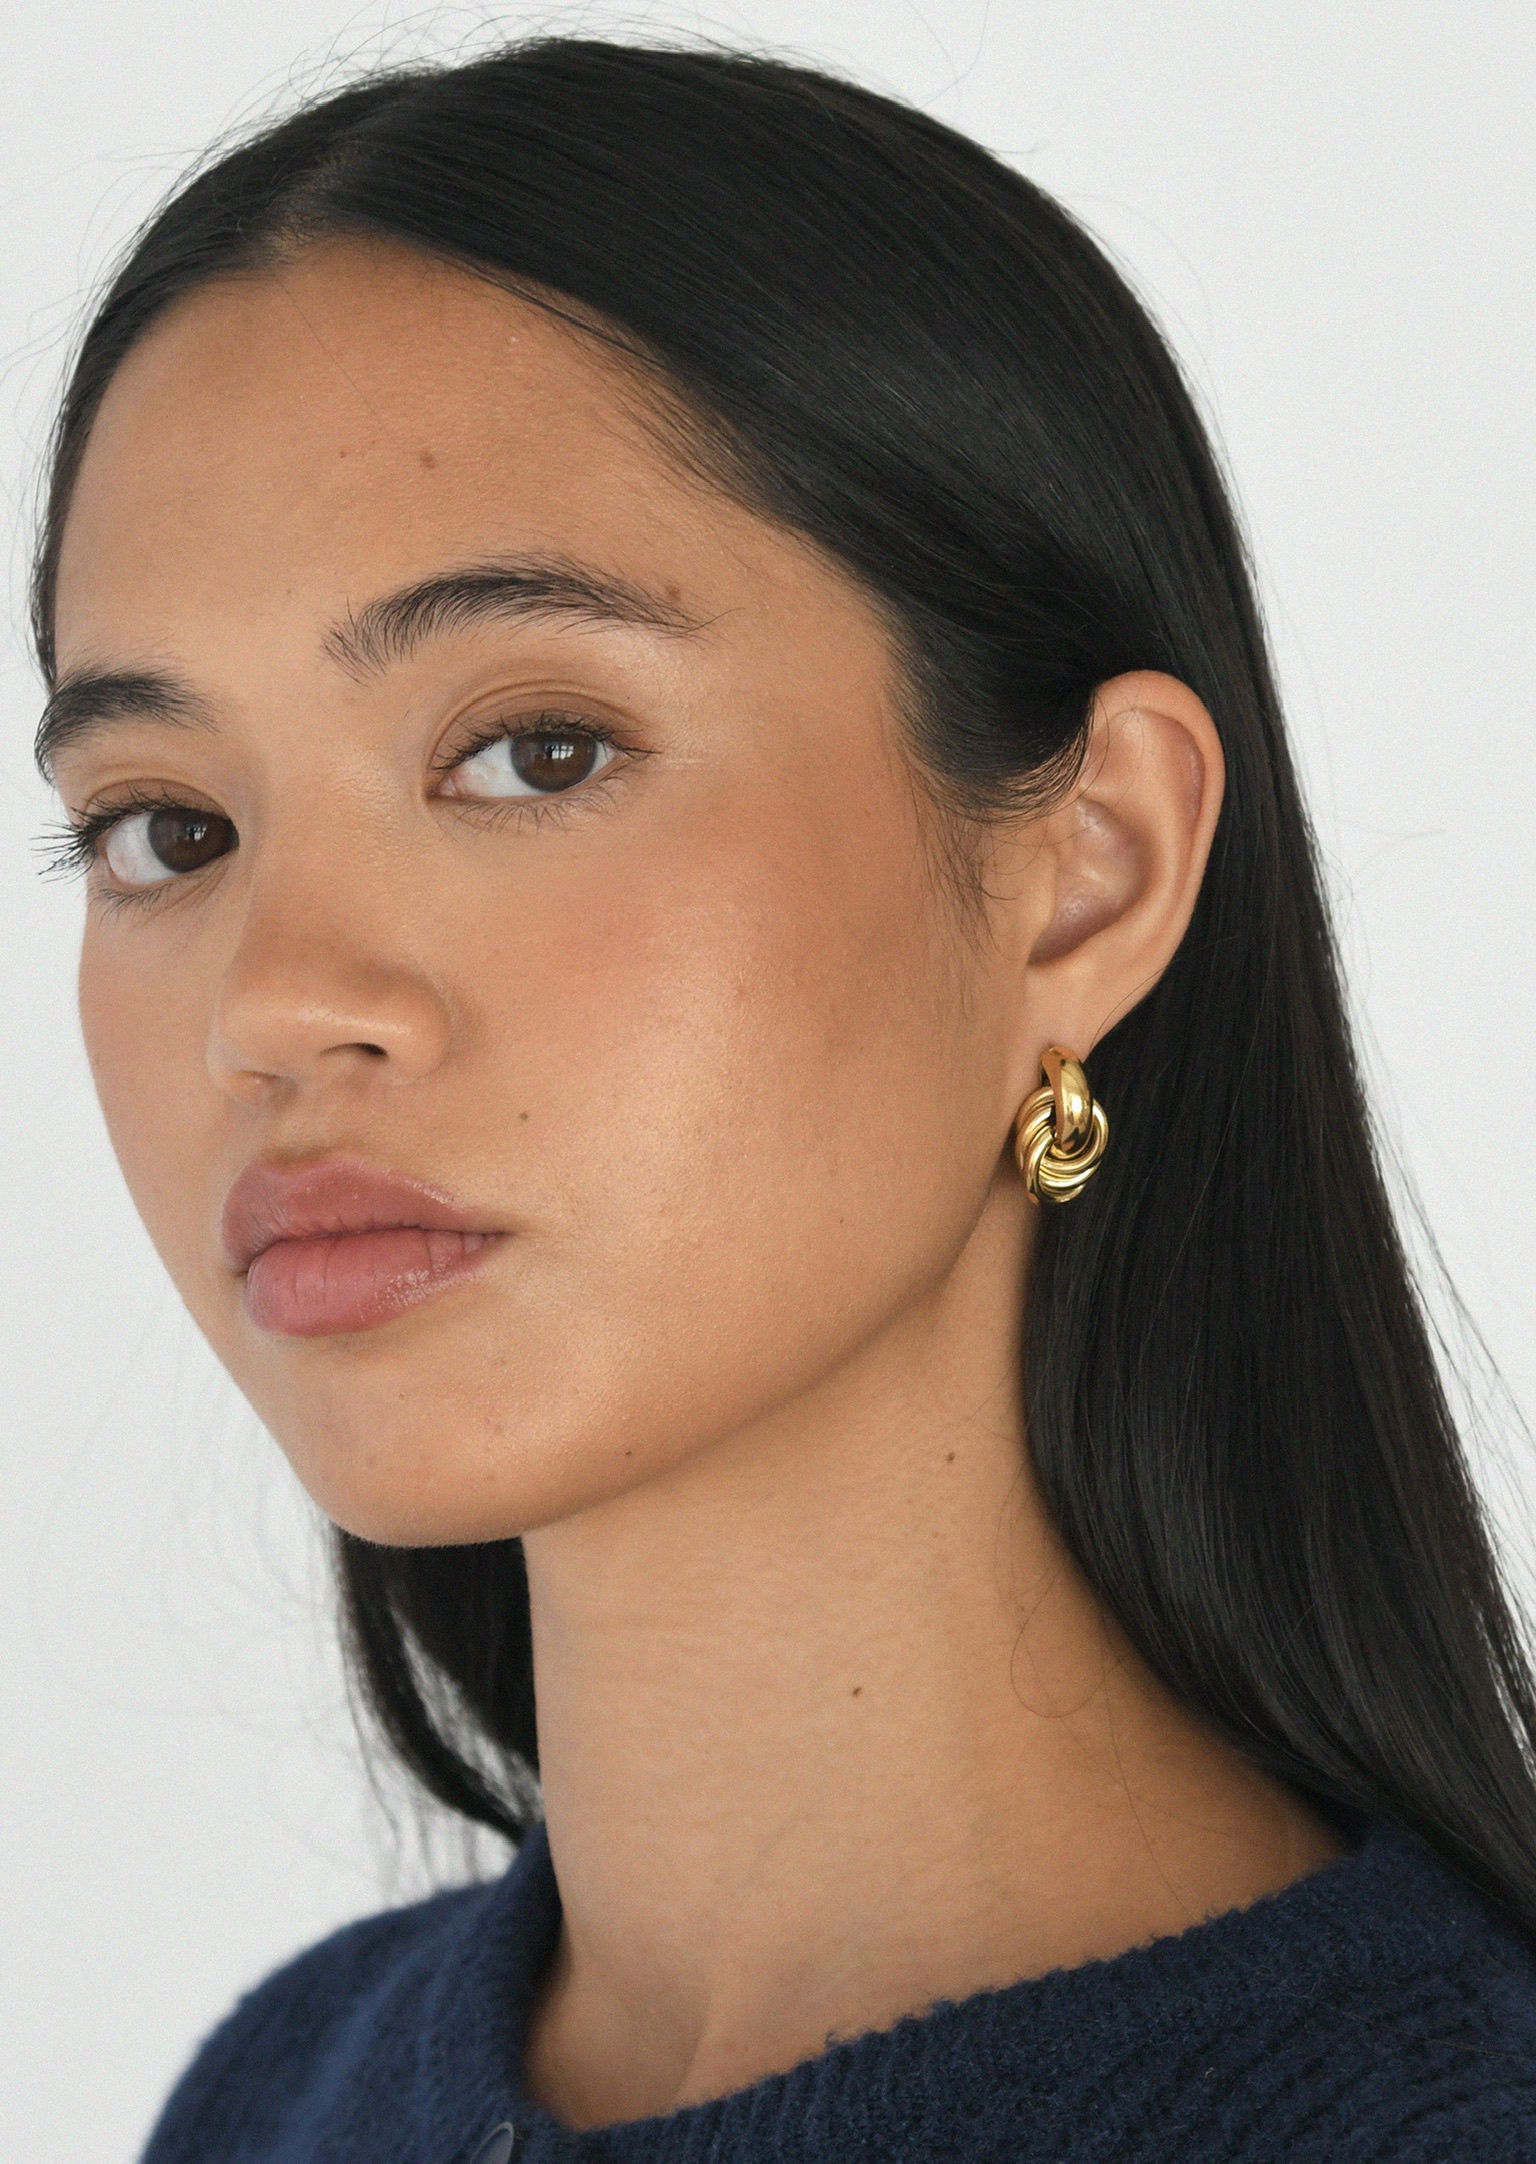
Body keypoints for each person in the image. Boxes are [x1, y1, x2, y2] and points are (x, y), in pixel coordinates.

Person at [33, 37, 1536, 2163]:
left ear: (1087, 867)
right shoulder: (288, 2095)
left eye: (535, 751)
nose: (272, 1005)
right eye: (167, 827)